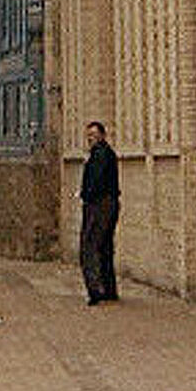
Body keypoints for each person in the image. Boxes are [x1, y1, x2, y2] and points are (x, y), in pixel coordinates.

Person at [80, 119, 121, 304]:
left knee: (90, 246)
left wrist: (85, 195)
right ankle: (109, 289)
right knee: (105, 246)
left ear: (102, 135)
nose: (91, 139)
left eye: (94, 135)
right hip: (109, 203)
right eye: (89, 136)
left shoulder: (100, 154)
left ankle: (96, 290)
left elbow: (95, 181)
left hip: (99, 204)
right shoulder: (106, 153)